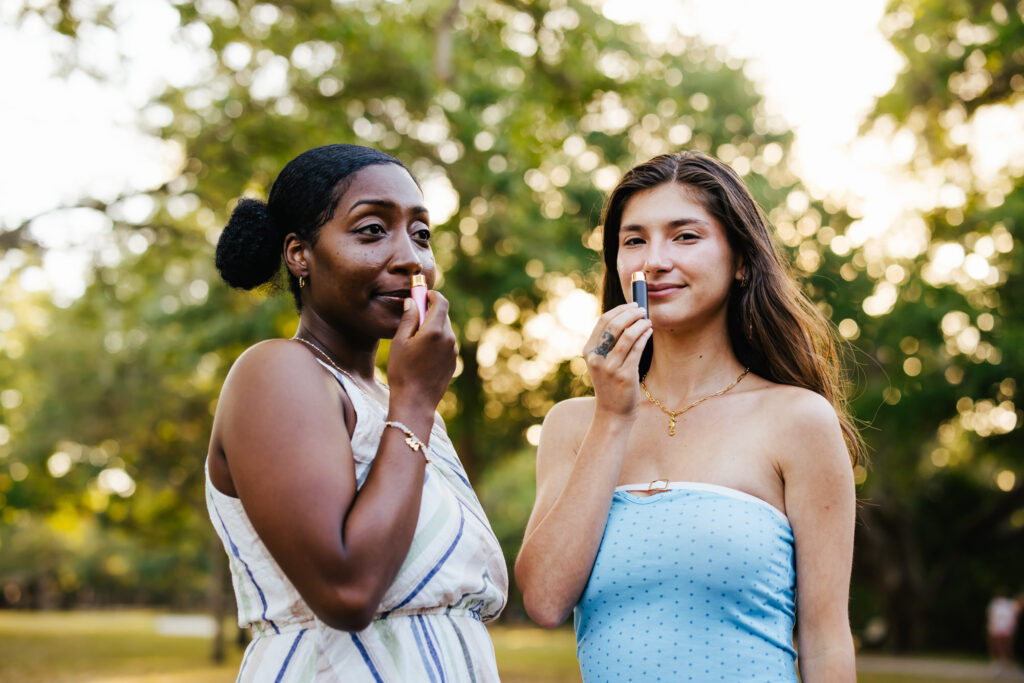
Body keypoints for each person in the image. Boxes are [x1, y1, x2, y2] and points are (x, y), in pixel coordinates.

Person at [515, 151, 860, 682]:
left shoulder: (798, 420)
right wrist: (612, 417)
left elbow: (826, 638)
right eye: (634, 240)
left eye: (685, 236)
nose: (653, 260)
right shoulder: (572, 425)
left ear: (741, 260)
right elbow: (543, 599)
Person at [206, 144, 507, 681]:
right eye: (371, 230)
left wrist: (412, 402)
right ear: (300, 254)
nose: (411, 258)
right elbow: (347, 592)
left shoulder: (403, 408)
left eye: (421, 234)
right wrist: (414, 400)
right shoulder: (278, 373)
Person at [988, 589, 1020, 671]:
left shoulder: (1007, 604)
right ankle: (1000, 663)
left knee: (1002, 646)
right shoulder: (999, 604)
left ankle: (1003, 663)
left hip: (1002, 629)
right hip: (1001, 629)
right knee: (1001, 646)